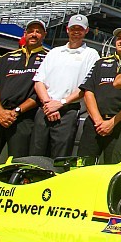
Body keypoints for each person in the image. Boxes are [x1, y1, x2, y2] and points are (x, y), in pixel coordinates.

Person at [0, 19, 48, 166]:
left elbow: (43, 92)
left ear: (44, 35)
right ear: (25, 34)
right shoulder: (6, 58)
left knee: (18, 164)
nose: (34, 34)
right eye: (31, 31)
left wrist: (16, 111)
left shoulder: (49, 59)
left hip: (24, 118)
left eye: (38, 31)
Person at [30, 14, 99, 159]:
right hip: (45, 108)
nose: (76, 32)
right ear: (67, 29)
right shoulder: (54, 52)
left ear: (86, 31)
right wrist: (49, 104)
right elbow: (39, 81)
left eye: (80, 29)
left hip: (68, 111)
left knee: (59, 158)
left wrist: (60, 103)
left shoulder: (91, 54)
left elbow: (85, 87)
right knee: (35, 155)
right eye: (73, 28)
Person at [78, 26, 121, 164]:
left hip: (119, 126)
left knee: (111, 166)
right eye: (118, 38)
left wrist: (112, 123)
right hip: (94, 123)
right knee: (83, 164)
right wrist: (98, 121)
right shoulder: (100, 63)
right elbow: (88, 91)